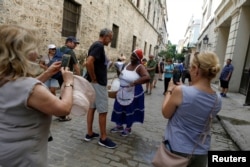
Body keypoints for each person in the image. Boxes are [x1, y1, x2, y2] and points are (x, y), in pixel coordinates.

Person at [0, 24, 74, 166]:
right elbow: (63, 109)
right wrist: (68, 82)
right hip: (25, 159)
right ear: (21, 52)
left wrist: (47, 73)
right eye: (33, 47)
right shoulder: (29, 87)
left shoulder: (6, 78)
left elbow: (22, 92)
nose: (38, 52)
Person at [161, 51, 221, 167]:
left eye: (190, 67)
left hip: (177, 148)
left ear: (195, 69)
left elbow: (166, 113)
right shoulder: (218, 98)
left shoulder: (181, 91)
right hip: (200, 152)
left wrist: (169, 90)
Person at [84, 28, 117, 149]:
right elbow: (88, 62)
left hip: (94, 84)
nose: (111, 41)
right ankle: (103, 138)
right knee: (103, 111)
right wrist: (94, 78)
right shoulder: (98, 46)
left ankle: (89, 133)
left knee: (91, 108)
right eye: (111, 39)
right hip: (97, 84)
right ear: (106, 36)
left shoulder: (96, 45)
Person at [110, 49, 150, 136]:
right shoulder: (127, 64)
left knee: (130, 109)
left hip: (133, 92)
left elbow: (147, 77)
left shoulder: (140, 67)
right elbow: (121, 75)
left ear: (138, 58)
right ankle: (119, 125)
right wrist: (118, 70)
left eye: (134, 56)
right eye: (132, 55)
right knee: (119, 107)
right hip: (122, 91)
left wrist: (135, 82)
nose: (132, 57)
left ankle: (128, 128)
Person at [57, 36, 81, 122]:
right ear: (69, 42)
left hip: (59, 74)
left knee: (62, 92)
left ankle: (59, 112)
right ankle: (62, 115)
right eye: (74, 43)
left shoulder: (59, 49)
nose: (76, 45)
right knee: (66, 94)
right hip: (66, 75)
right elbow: (76, 66)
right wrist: (79, 76)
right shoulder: (70, 52)